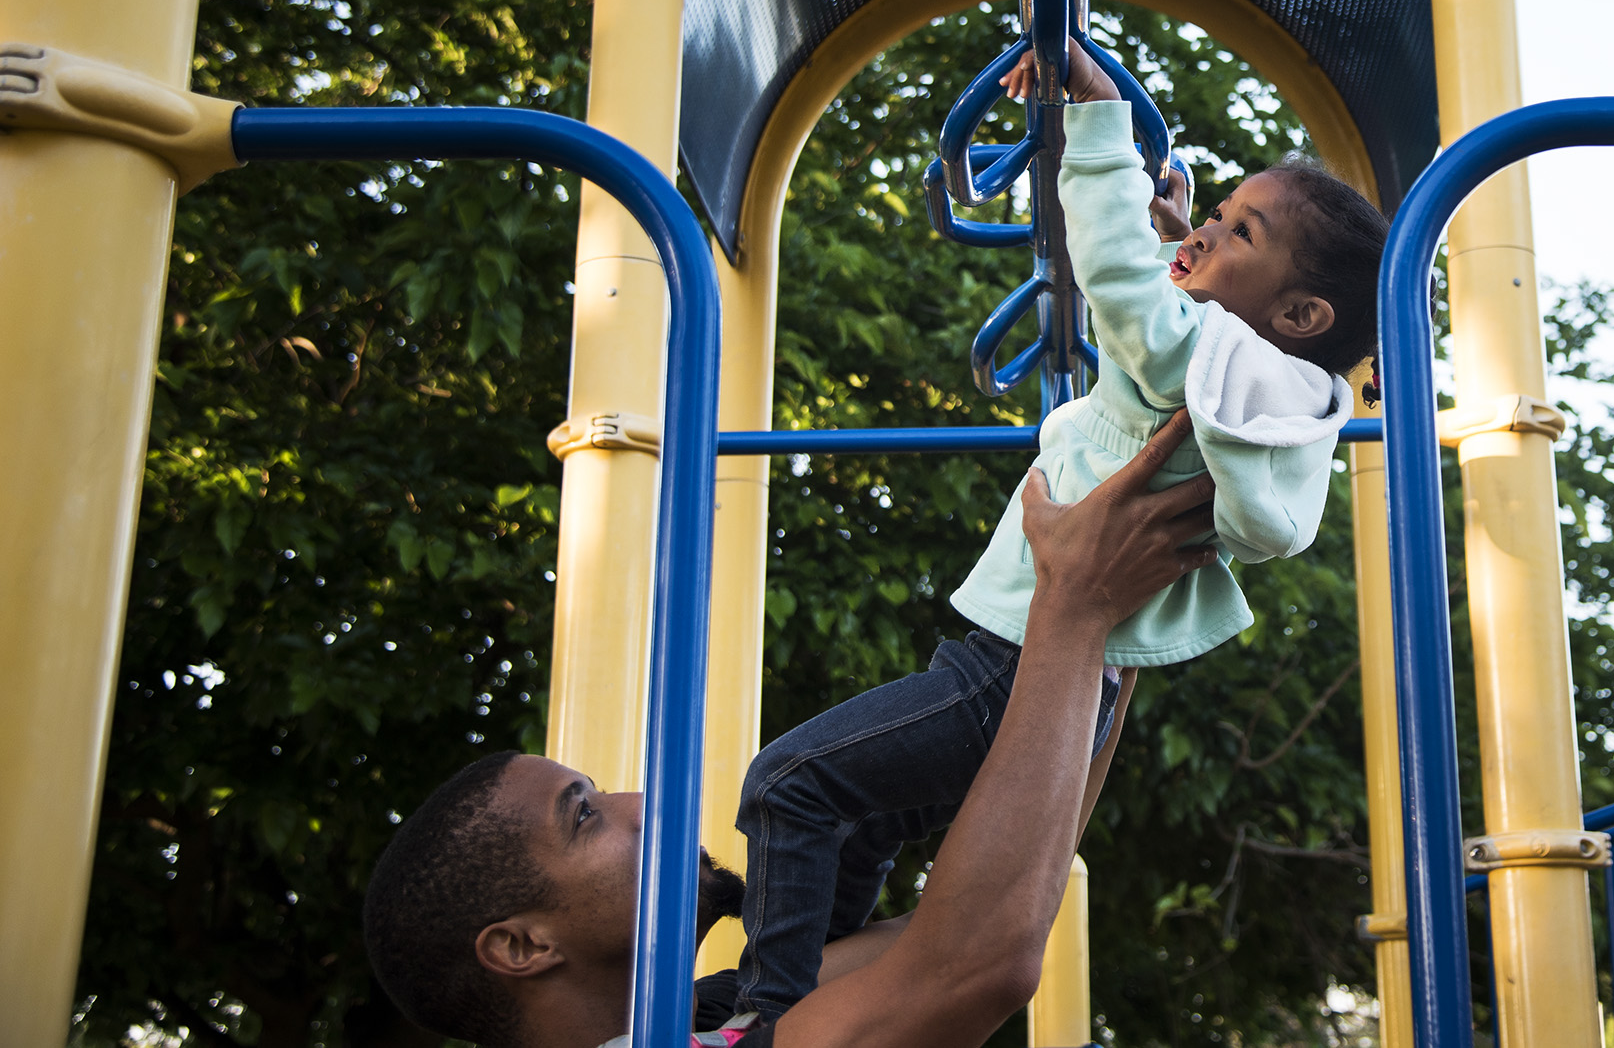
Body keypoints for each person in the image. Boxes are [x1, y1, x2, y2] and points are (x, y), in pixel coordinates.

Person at [732, 41, 1390, 1021]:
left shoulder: (1194, 353)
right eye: (1208, 214)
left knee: (786, 781)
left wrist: (1095, 120)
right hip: (1057, 678)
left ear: (1298, 310)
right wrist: (1195, 237)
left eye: (1236, 230)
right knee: (859, 818)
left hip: (1003, 669)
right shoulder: (1265, 384)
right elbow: (1183, 301)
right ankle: (807, 990)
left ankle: (766, 1011)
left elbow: (1121, 279)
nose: (1202, 230)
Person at [362, 411, 1220, 1048]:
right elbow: (973, 962)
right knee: (794, 782)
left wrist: (1108, 627)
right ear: (521, 944)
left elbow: (1005, 901)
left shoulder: (706, 1016)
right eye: (582, 813)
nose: (641, 801)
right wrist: (1079, 605)